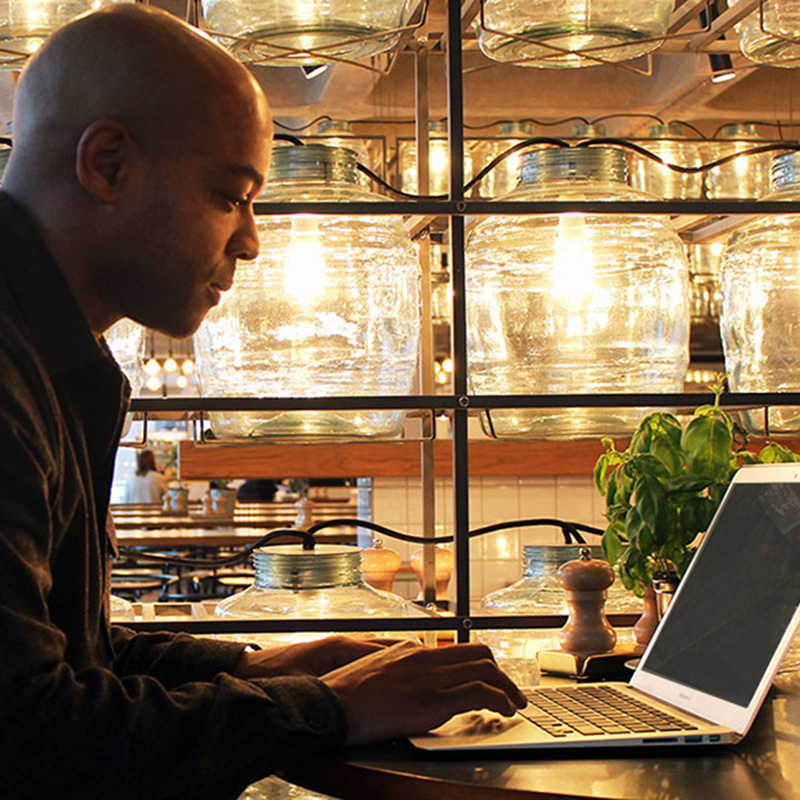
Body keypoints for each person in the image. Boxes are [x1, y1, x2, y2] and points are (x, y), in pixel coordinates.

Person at [0, 6, 525, 800]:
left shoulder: (45, 351)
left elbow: (76, 658)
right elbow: (29, 739)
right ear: (108, 163)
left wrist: (262, 666)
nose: (250, 240)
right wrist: (327, 707)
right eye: (229, 195)